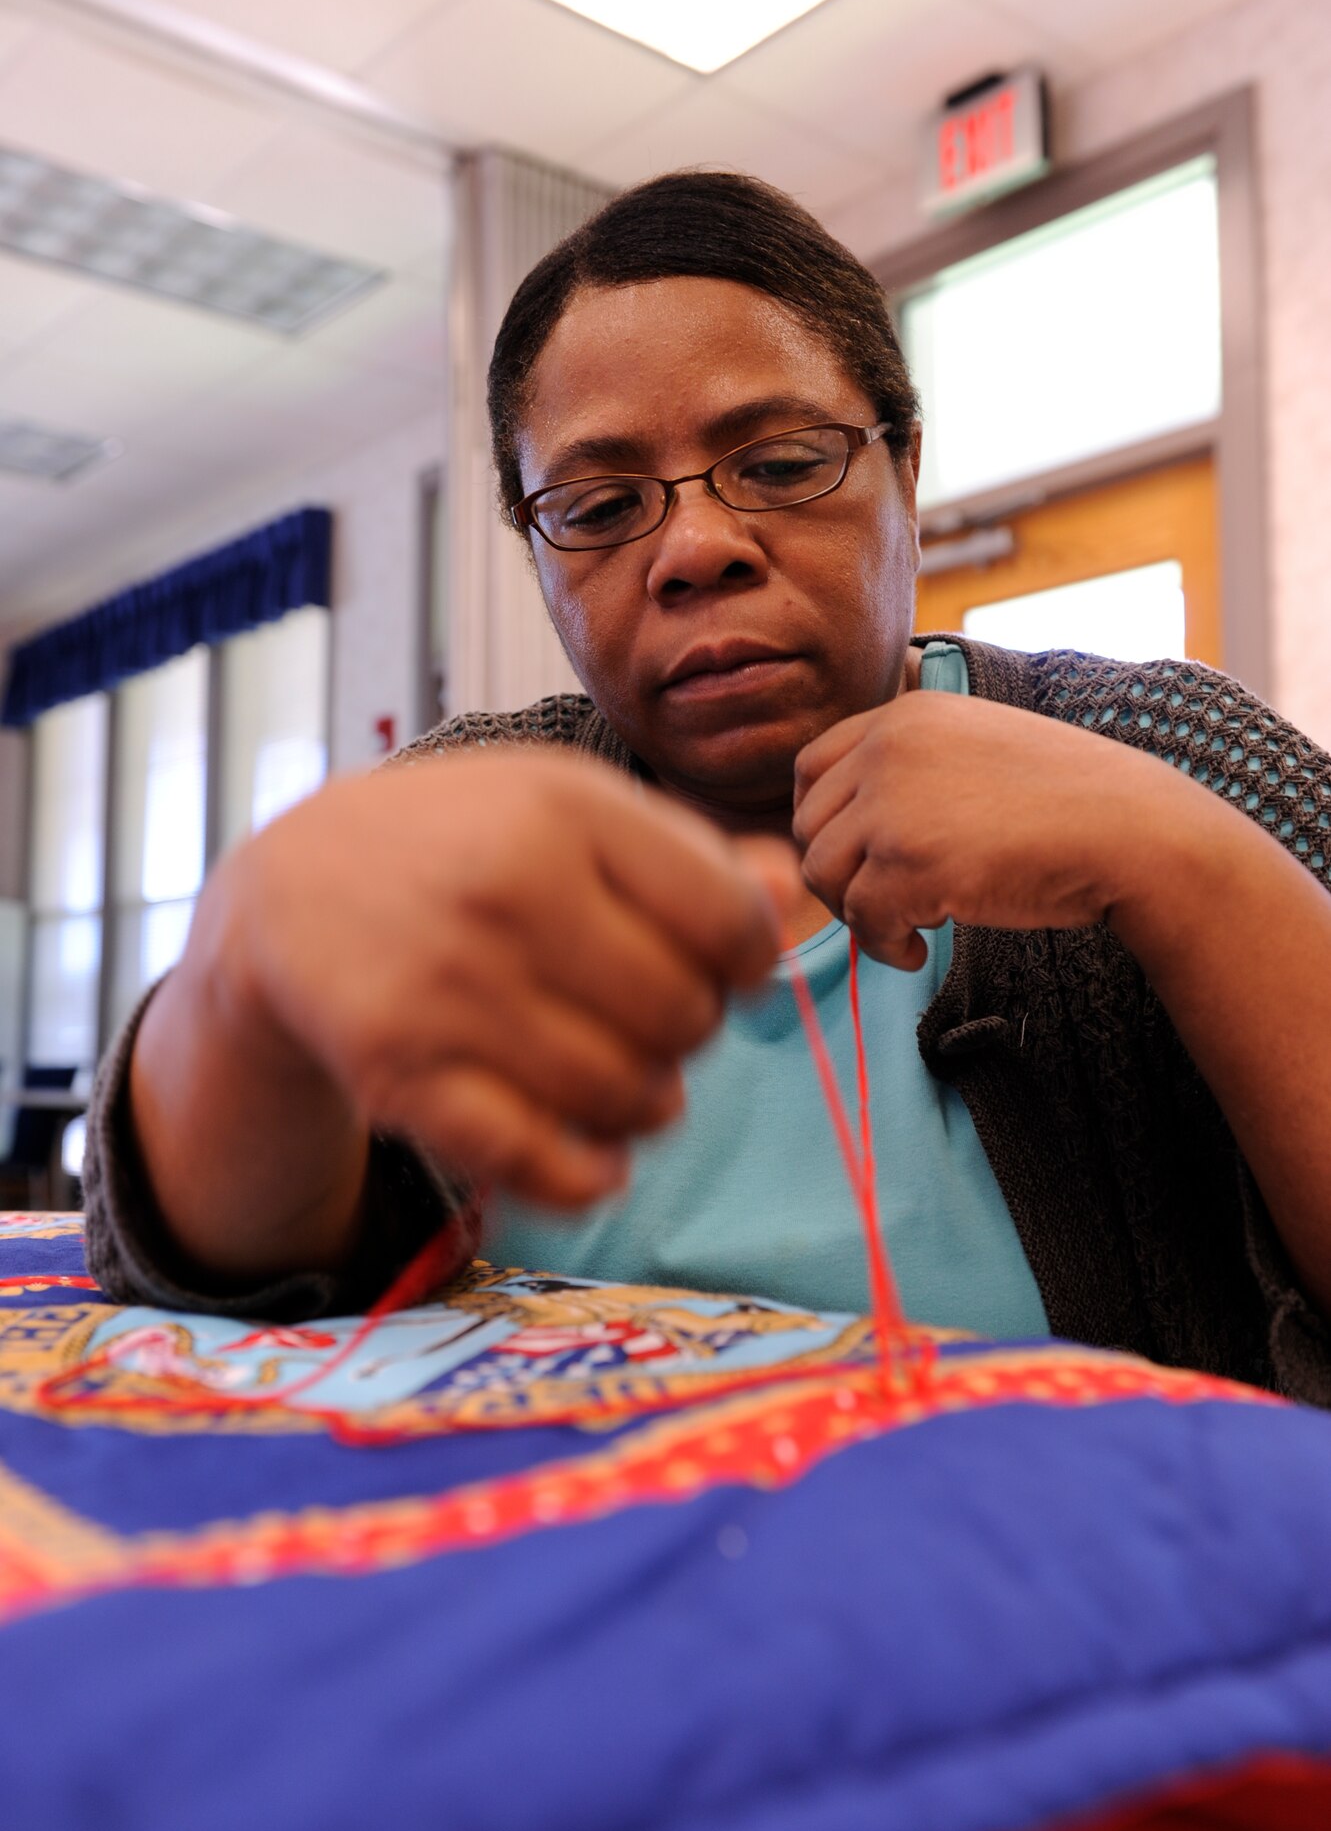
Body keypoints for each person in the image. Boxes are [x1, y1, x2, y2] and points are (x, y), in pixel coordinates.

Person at [85, 171, 1331, 1403]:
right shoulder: (471, 804)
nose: (692, 549)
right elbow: (206, 1279)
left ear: (903, 468)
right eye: (598, 504)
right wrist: (240, 982)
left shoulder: (1162, 749)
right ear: (535, 549)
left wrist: (1184, 863)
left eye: (783, 464)